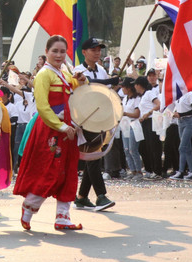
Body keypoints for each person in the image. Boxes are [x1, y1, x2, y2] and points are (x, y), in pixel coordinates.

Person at [13, 35, 88, 231]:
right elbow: (43, 108)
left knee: (69, 170)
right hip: (50, 130)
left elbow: (77, 89)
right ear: (46, 52)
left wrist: (81, 80)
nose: (59, 55)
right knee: (49, 171)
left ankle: (63, 217)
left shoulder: (63, 73)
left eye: (62, 51)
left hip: (68, 129)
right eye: (55, 51)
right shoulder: (44, 75)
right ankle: (29, 207)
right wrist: (62, 127)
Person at [72, 38, 118, 211]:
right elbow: (87, 87)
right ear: (84, 52)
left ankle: (81, 197)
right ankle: (100, 196)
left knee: (95, 154)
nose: (97, 52)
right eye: (93, 49)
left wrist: (113, 85)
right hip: (85, 117)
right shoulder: (78, 70)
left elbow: (106, 92)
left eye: (99, 49)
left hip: (101, 117)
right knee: (93, 155)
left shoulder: (101, 70)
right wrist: (109, 82)